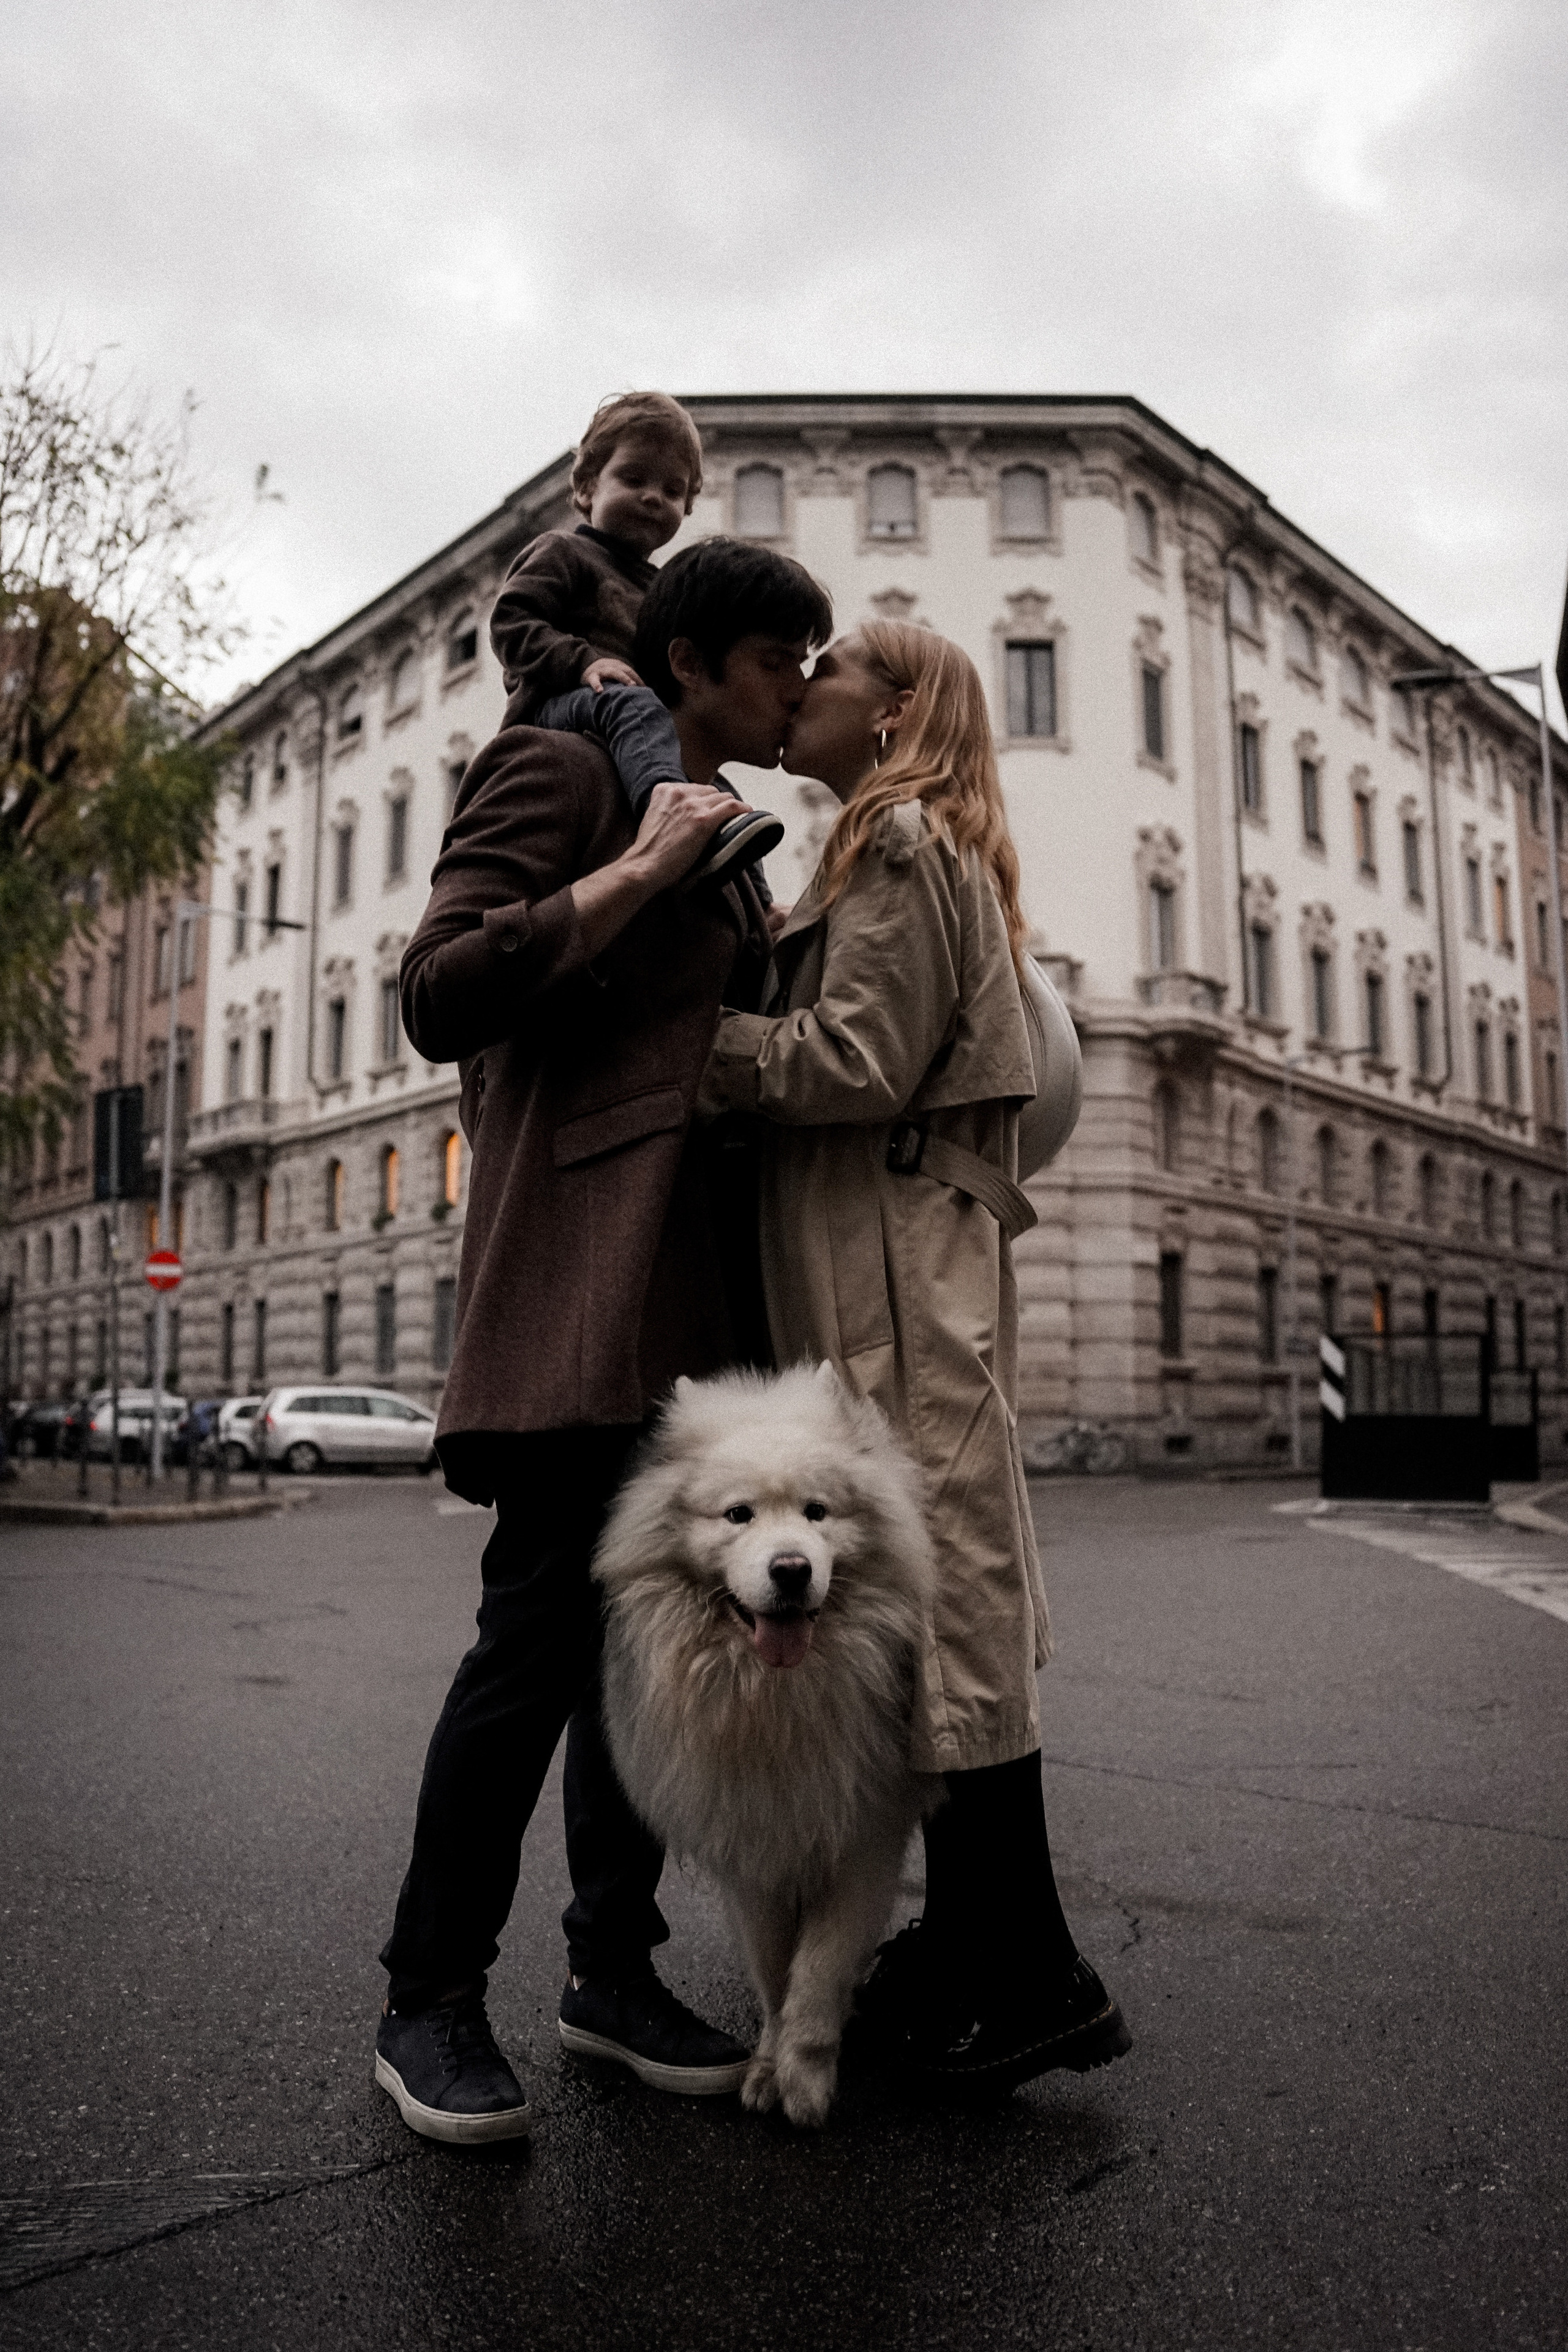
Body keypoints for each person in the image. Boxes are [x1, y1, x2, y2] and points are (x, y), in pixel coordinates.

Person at [375, 537, 834, 2145]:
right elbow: (435, 990)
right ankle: (427, 1999)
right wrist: (639, 870)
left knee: (646, 1672)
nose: (807, 688)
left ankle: (609, 1977)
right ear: (697, 659)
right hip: (584, 1277)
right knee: (535, 1653)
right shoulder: (562, 761)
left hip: (706, 1311)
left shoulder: (747, 848)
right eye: (788, 659)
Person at [699, 621, 1131, 2096]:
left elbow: (856, 1059)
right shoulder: (894, 844)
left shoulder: (894, 841)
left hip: (887, 1264)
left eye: (823, 674)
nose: (799, 690)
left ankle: (1028, 1969)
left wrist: (698, 1045)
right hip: (877, 1255)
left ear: (890, 714)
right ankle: (977, 1944)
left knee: (943, 1587)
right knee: (937, 1583)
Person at [489, 389, 784, 892]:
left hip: (634, 722)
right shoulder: (563, 552)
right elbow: (512, 621)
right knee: (636, 709)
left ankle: (760, 905)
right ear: (585, 489)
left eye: (672, 490)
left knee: (716, 787)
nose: (653, 496)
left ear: (687, 508)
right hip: (561, 708)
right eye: (633, 478)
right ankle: (663, 814)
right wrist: (582, 662)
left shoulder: (662, 590)